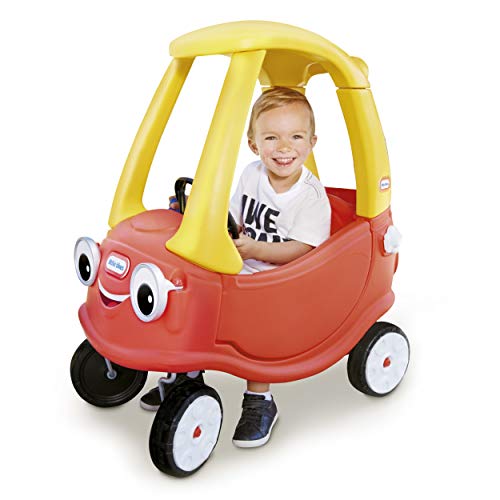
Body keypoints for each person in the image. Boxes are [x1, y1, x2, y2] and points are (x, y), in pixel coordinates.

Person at [140, 87, 331, 449]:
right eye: (271, 138)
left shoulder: (311, 197)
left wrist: (255, 249)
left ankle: (260, 398)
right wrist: (201, 215)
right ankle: (185, 372)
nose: (284, 148)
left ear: (312, 142)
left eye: (295, 137)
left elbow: (303, 249)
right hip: (240, 264)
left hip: (282, 280)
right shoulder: (251, 174)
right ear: (253, 144)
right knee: (190, 291)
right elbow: (234, 217)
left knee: (256, 326)